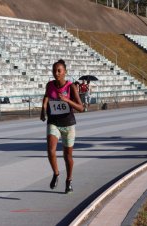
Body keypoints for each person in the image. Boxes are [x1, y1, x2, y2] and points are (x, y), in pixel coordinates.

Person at [40, 59, 84, 194]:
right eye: (54, 70)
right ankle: (56, 173)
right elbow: (47, 96)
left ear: (65, 72)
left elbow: (81, 108)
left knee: (67, 157)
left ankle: (69, 180)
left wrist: (67, 100)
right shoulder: (50, 85)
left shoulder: (71, 87)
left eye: (59, 71)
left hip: (68, 124)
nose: (56, 73)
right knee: (50, 150)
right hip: (53, 122)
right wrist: (43, 108)